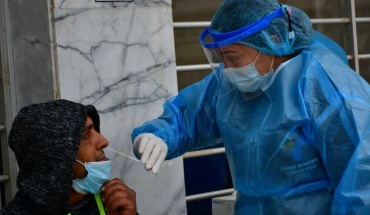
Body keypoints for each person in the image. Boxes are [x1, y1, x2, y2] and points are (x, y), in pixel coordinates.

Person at [131, 0, 370, 214]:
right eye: (222, 58)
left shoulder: (325, 85)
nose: (227, 68)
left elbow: (362, 178)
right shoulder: (229, 86)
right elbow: (187, 117)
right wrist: (158, 135)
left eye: (233, 58)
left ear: (273, 41)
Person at [0, 99, 138, 215]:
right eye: (86, 136)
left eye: (95, 130)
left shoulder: (112, 203)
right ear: (54, 156)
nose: (104, 141)